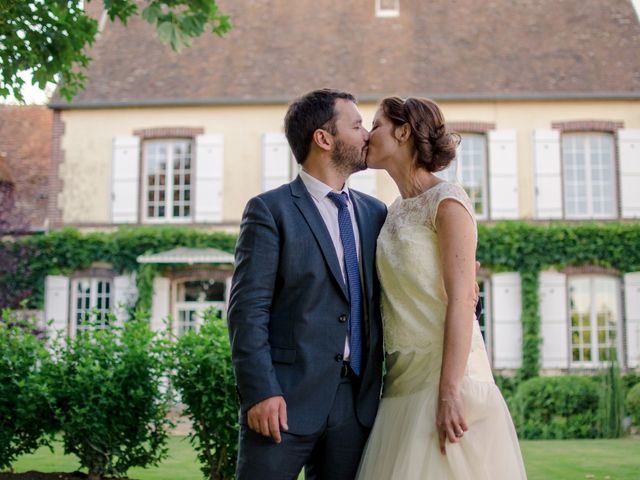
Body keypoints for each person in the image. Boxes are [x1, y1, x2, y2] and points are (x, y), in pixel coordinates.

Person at [355, 96, 527, 479]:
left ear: (403, 132)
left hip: (448, 376)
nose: (367, 134)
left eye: (376, 124)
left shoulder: (448, 203)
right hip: (400, 380)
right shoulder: (392, 211)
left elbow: (463, 298)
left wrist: (449, 392)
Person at [227, 89, 387, 480]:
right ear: (324, 138)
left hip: (357, 406)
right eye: (357, 125)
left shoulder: (376, 213)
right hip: (283, 401)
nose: (367, 134)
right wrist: (261, 392)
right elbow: (247, 312)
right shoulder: (270, 210)